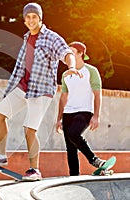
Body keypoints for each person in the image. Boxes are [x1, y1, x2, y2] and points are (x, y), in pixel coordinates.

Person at [0, 2, 82, 181]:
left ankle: (35, 169)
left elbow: (66, 53)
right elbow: (20, 68)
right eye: (28, 17)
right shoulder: (27, 38)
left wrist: (71, 67)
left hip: (42, 90)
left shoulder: (51, 37)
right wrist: (10, 90)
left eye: (34, 16)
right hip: (23, 87)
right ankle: (1, 155)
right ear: (24, 20)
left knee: (29, 129)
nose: (31, 20)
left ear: (40, 18)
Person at [56, 41, 105, 176]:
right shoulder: (66, 74)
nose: (68, 55)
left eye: (71, 52)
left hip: (84, 111)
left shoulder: (91, 71)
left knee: (73, 134)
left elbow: (97, 94)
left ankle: (93, 159)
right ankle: (74, 178)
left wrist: (96, 116)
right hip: (68, 113)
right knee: (70, 149)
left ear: (80, 53)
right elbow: (63, 98)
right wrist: (59, 119)